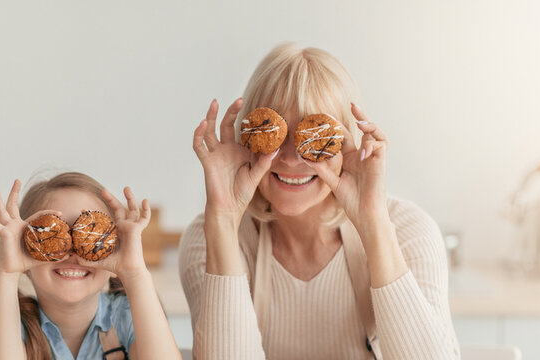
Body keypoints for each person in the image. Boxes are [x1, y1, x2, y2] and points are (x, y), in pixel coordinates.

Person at [180, 43, 460, 359]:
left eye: (311, 138)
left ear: (347, 142)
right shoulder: (209, 238)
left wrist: (373, 222)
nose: (289, 158)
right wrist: (223, 220)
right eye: (275, 133)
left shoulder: (409, 231)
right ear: (248, 136)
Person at [0, 172, 182, 360]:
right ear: (27, 250)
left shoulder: (125, 316)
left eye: (90, 236)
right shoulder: (14, 322)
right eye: (53, 233)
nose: (71, 250)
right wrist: (7, 274)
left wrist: (135, 274)